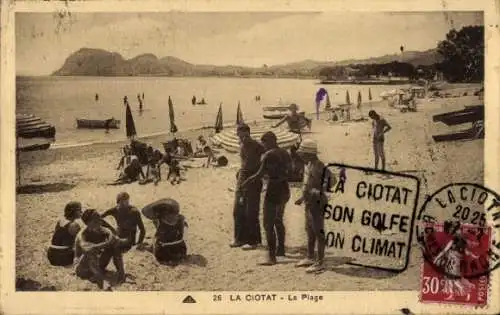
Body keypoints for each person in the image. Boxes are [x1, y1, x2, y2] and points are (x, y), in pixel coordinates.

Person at [240, 131, 292, 265]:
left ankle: (271, 257)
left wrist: (246, 182)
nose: (264, 146)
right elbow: (291, 172)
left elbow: (259, 174)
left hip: (274, 189)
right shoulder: (285, 153)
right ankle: (281, 250)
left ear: (270, 141)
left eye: (265, 143)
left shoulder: (269, 155)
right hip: (285, 189)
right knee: (278, 220)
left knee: (268, 224)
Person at [294, 139, 335, 273]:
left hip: (317, 202)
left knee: (318, 231)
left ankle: (320, 262)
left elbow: (331, 180)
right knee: (309, 230)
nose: (301, 156)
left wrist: (319, 191)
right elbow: (308, 184)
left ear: (309, 154)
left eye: (303, 154)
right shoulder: (309, 164)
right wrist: (302, 198)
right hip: (309, 202)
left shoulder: (320, 166)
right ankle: (310, 256)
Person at [230, 123, 265, 250]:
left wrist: (259, 173)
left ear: (248, 133)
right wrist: (240, 171)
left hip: (254, 179)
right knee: (238, 210)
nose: (241, 137)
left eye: (243, 135)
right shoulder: (242, 145)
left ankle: (253, 241)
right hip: (242, 178)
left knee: (251, 211)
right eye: (239, 135)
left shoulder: (258, 146)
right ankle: (239, 239)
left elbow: (266, 159)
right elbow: (244, 162)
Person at [99, 192, 146, 281]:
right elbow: (99, 218)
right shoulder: (115, 210)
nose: (125, 203)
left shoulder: (134, 212)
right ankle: (101, 267)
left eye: (126, 201)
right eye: (123, 202)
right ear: (118, 202)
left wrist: (139, 243)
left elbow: (142, 229)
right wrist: (109, 228)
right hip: (118, 236)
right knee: (109, 246)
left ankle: (120, 274)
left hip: (129, 239)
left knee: (114, 247)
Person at [74, 209, 126, 290]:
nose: (100, 221)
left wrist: (113, 240)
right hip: (83, 269)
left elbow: (114, 237)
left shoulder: (102, 230)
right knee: (91, 253)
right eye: (96, 219)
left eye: (99, 218)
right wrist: (106, 243)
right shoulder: (82, 234)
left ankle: (121, 274)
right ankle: (101, 281)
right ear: (88, 223)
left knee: (115, 245)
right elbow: (88, 250)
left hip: (97, 265)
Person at [143, 199, 188, 265]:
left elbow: (159, 236)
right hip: (181, 251)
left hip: (164, 255)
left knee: (157, 238)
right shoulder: (181, 218)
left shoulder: (159, 221)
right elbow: (182, 233)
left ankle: (150, 248)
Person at [47, 201, 83, 266]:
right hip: (63, 257)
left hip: (51, 255)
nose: (81, 212)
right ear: (74, 212)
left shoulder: (60, 221)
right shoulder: (74, 225)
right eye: (79, 210)